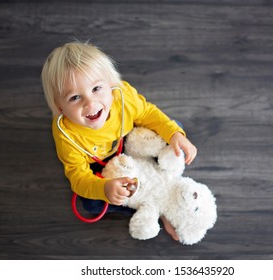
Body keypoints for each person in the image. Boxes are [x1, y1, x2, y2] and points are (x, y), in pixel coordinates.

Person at [41, 41, 197, 241]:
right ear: (59, 107)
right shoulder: (67, 135)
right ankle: (149, 204)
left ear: (111, 84)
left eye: (97, 88)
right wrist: (104, 189)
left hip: (132, 143)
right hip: (104, 166)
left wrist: (174, 134)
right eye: (74, 98)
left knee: (175, 128)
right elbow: (78, 178)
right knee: (90, 203)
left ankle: (165, 185)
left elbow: (148, 113)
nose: (90, 103)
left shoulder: (123, 97)